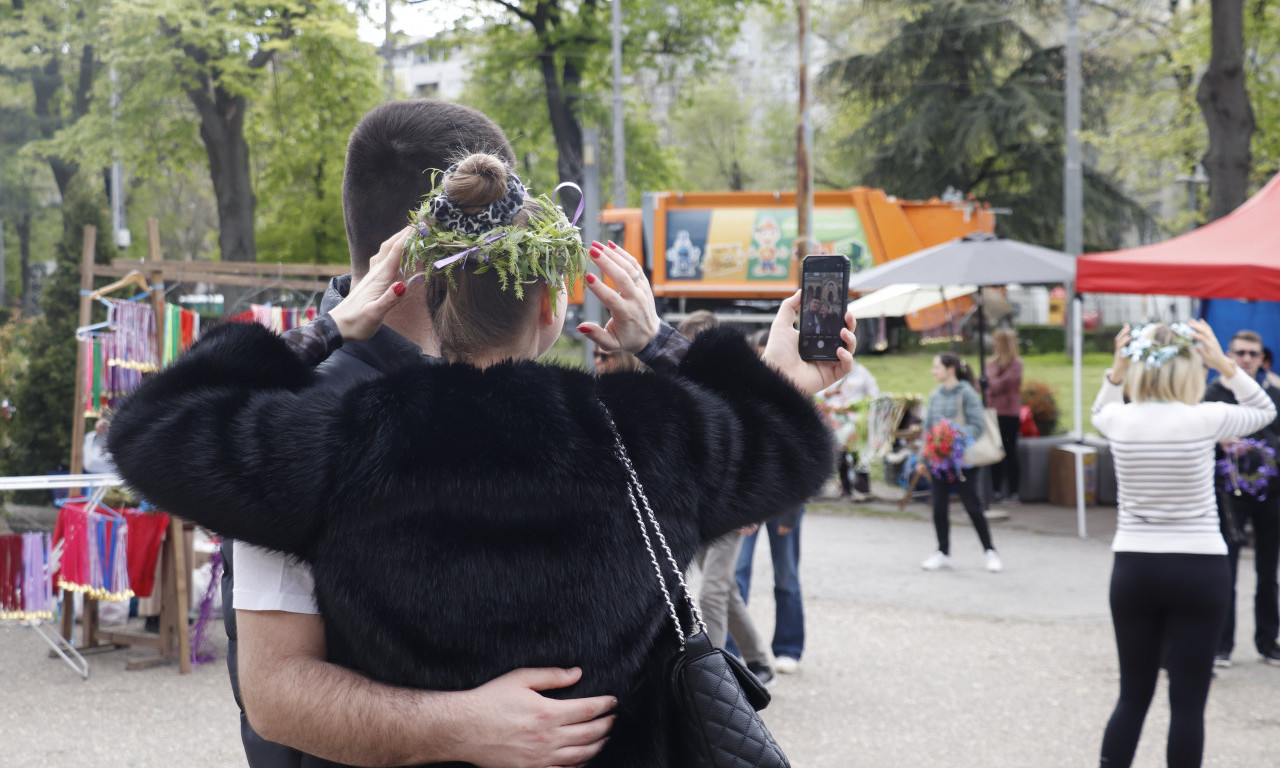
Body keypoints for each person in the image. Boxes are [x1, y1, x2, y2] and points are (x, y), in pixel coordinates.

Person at [108, 155, 854, 768]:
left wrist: (328, 327)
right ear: (552, 302)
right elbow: (788, 444)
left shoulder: (341, 439)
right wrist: (658, 341)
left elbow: (149, 429)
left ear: (428, 294)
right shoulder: (648, 437)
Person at [219, 100, 619, 768]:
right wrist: (461, 725)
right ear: (431, 247)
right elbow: (274, 692)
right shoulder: (295, 421)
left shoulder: (490, 395)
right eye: (502, 231)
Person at [1092, 321, 1275, 768]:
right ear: (1190, 368)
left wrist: (1116, 371)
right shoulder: (1206, 417)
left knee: (1132, 697)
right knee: (1188, 704)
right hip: (1199, 567)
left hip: (1135, 567)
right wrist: (1225, 364)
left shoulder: (1118, 420)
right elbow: (1264, 409)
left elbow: (1101, 408)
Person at [680, 312, 777, 689]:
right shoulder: (690, 386)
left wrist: (753, 502)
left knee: (713, 591)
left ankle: (713, 683)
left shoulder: (740, 388)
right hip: (702, 508)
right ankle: (756, 658)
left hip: (734, 508)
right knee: (725, 590)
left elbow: (762, 448)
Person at [1204, 329, 1280, 667]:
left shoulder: (1274, 395)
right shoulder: (1214, 394)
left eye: (1252, 353)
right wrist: (1218, 440)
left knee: (1268, 571)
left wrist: (1258, 446)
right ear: (1229, 357)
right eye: (1239, 353)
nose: (1246, 359)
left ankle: (1268, 641)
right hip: (1228, 495)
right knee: (1226, 571)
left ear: (1262, 358)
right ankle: (1221, 644)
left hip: (1271, 494)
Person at [916, 353, 1001, 573]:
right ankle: (943, 552)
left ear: (951, 369)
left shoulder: (967, 393)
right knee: (939, 507)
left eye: (937, 367)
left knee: (972, 506)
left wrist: (953, 438)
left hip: (963, 460)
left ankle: (990, 551)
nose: (934, 371)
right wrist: (922, 457)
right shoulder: (935, 395)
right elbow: (927, 428)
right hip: (938, 461)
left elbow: (977, 425)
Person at [817, 352, 880, 499]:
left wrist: (856, 407)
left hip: (856, 424)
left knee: (859, 456)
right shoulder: (829, 370)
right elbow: (818, 392)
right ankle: (847, 489)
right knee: (840, 455)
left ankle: (862, 489)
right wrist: (829, 393)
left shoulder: (862, 373)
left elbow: (874, 395)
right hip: (834, 421)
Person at [985, 328, 1024, 503]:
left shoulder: (1016, 364)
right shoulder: (992, 363)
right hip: (993, 411)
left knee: (1009, 452)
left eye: (998, 342)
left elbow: (1001, 384)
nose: (995, 345)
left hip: (1008, 413)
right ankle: (996, 489)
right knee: (995, 452)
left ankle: (1014, 491)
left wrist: (990, 383)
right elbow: (984, 385)